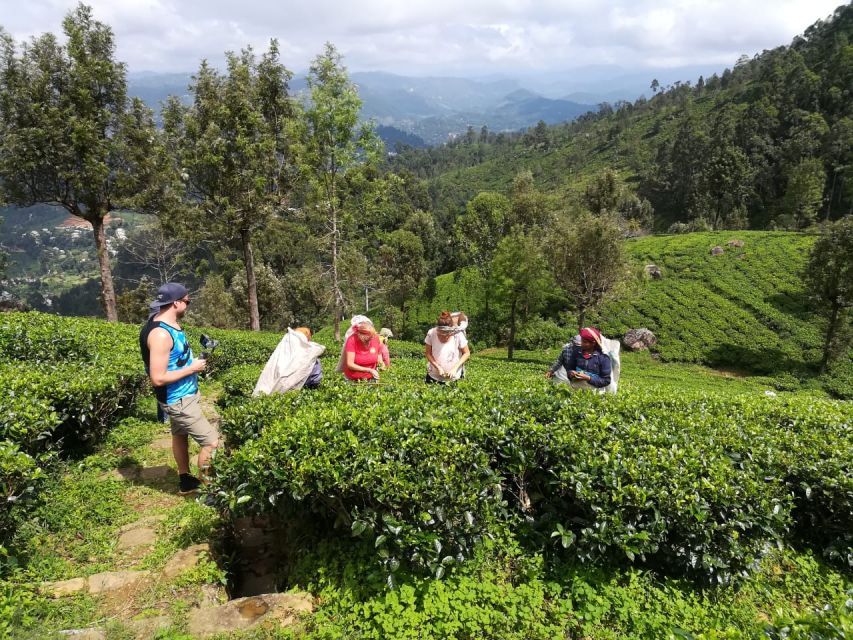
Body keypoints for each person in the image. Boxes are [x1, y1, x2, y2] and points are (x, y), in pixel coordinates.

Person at [139, 283, 219, 495]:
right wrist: (191, 367)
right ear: (175, 303)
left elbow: (172, 361)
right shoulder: (161, 335)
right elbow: (157, 378)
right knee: (212, 443)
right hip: (178, 399)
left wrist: (190, 363)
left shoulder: (168, 325)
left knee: (180, 435)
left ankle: (185, 480)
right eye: (187, 301)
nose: (188, 305)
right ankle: (210, 491)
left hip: (183, 395)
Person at [545, 327, 611, 390]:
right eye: (581, 341)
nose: (581, 344)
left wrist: (588, 378)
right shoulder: (577, 352)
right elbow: (569, 368)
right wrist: (571, 373)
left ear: (593, 343)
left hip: (594, 393)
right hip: (576, 390)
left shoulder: (603, 358)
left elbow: (606, 380)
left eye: (585, 342)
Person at [424, 311, 471, 384]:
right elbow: (428, 353)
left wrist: (454, 369)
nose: (443, 337)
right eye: (440, 334)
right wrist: (438, 367)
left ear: (451, 330)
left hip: (454, 377)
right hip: (433, 376)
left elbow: (466, 353)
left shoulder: (457, 334)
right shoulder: (431, 333)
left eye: (446, 335)